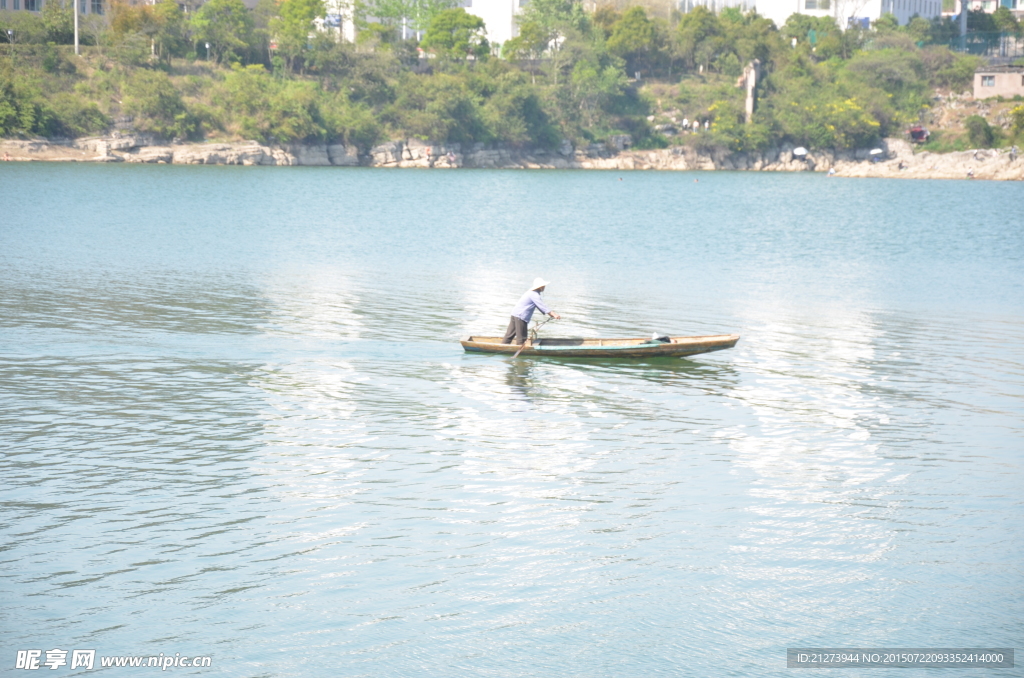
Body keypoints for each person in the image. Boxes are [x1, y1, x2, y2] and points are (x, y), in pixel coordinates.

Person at [502, 278, 561, 345]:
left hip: (515, 314)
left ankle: (502, 346)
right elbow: (542, 306)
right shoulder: (534, 294)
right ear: (540, 287)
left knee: (509, 335)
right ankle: (520, 352)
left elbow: (540, 306)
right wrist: (554, 314)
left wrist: (551, 314)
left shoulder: (531, 293)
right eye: (543, 286)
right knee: (522, 339)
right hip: (521, 316)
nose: (544, 287)